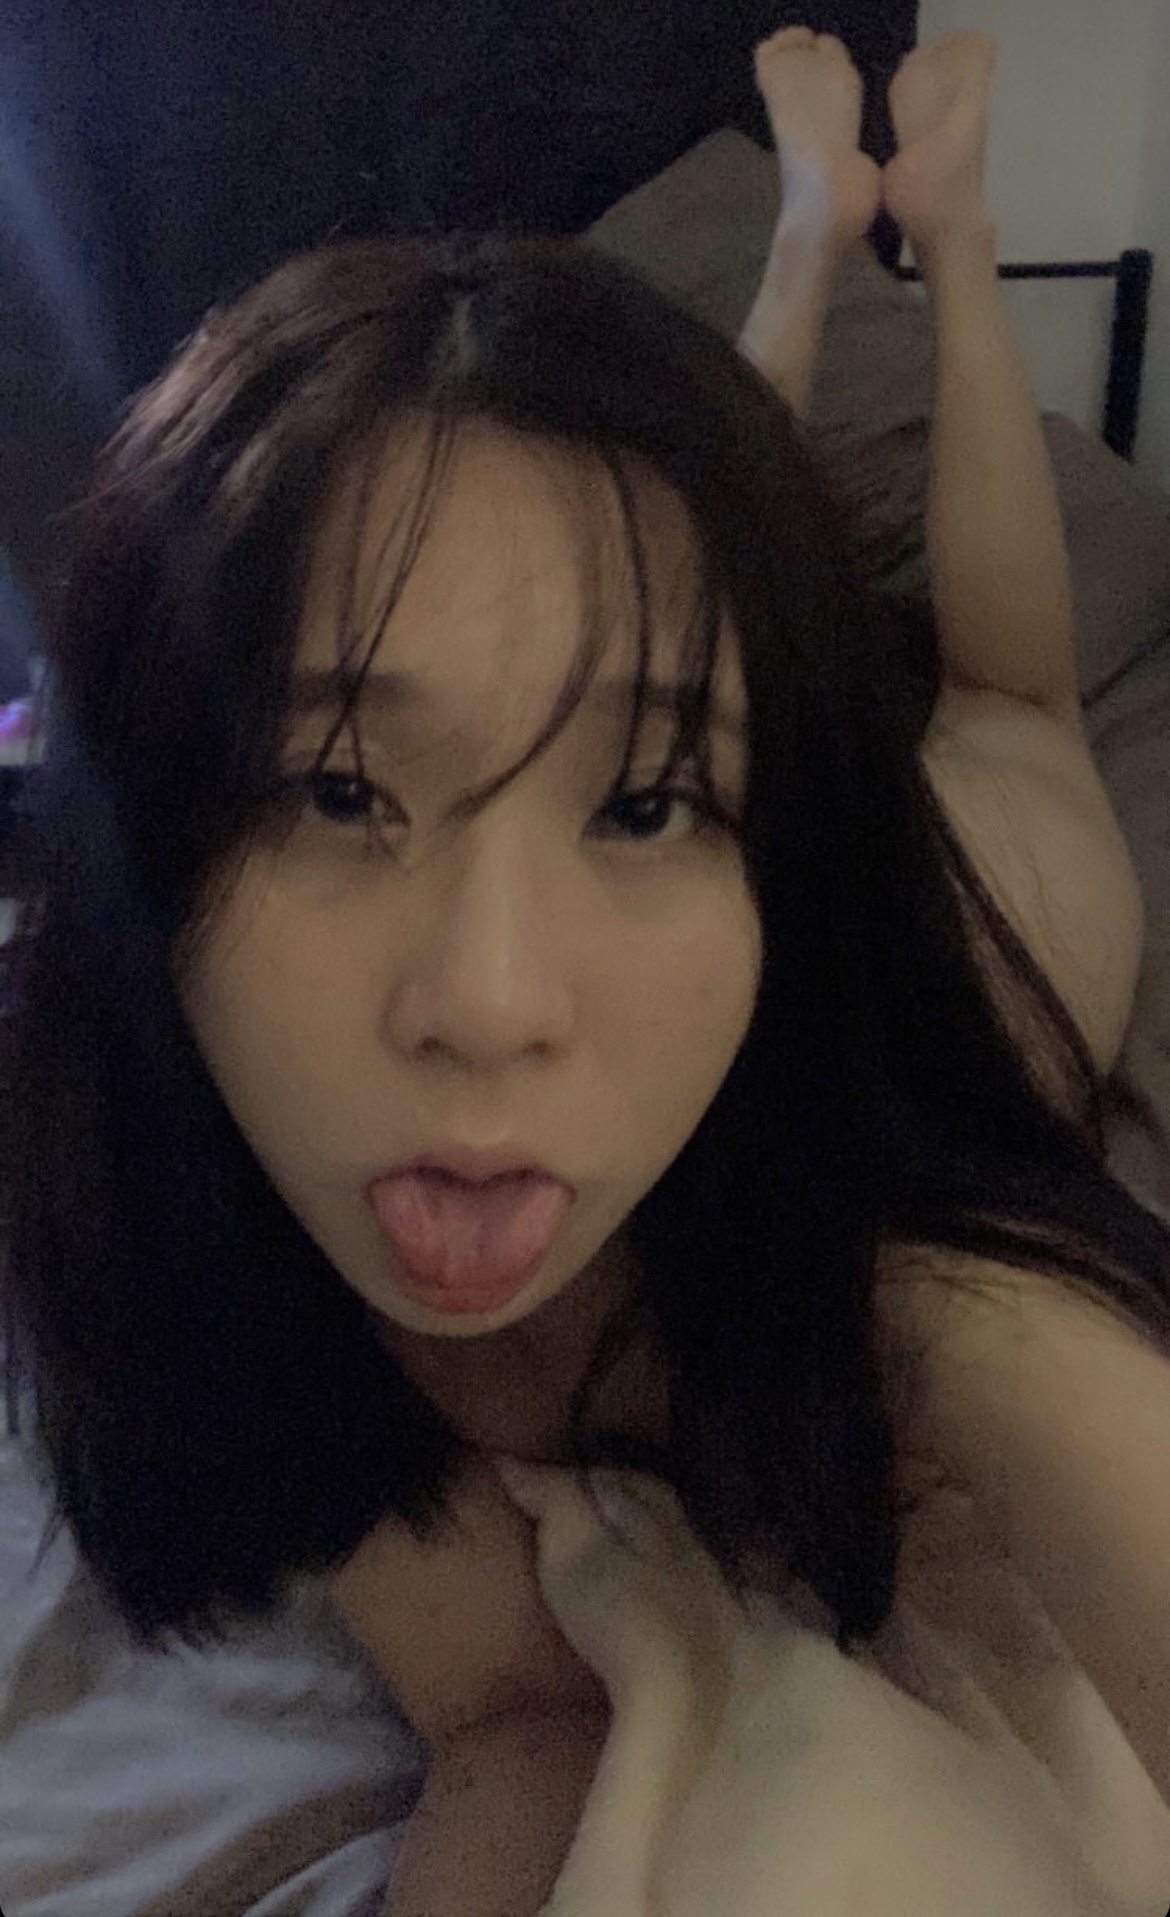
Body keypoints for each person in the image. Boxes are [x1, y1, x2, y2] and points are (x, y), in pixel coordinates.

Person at [4, 23, 1169, 1917]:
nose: (486, 1006)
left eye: (647, 806)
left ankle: (938, 239)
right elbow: (507, 1713)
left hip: (992, 892)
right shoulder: (181, 1223)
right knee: (653, 586)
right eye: (338, 789)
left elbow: (1052, 1379)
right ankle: (803, 235)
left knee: (1008, 693)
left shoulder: (915, 1248)